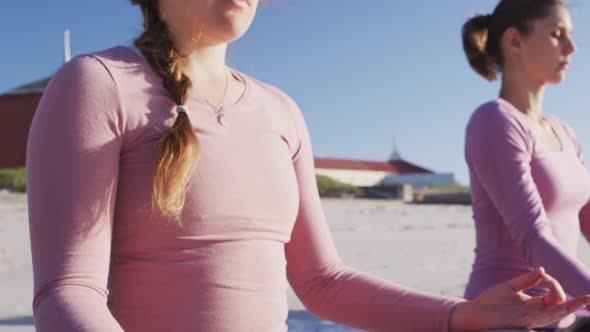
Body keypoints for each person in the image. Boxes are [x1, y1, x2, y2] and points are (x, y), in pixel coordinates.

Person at [26, 0, 590, 331]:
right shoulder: (97, 84)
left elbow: (323, 281)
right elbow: (68, 291)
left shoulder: (280, 110)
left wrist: (459, 316)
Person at [462, 0, 590, 330]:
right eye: (556, 34)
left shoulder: (565, 132)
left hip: (565, 315)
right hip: (506, 318)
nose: (571, 47)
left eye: (570, 35)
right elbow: (533, 238)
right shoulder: (494, 121)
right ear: (515, 41)